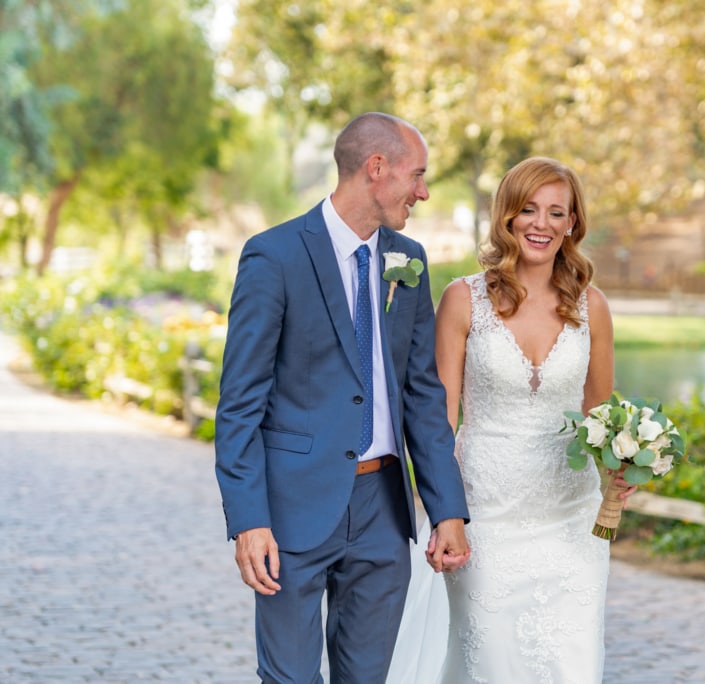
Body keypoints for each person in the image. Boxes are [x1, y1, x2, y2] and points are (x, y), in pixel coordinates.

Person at [214, 112, 471, 684]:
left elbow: (424, 396)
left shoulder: (408, 259)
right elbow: (239, 406)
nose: (424, 192)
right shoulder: (273, 256)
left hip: (383, 510)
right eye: (417, 175)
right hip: (291, 511)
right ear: (376, 169)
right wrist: (248, 519)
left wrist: (447, 509)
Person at [430, 156, 631, 682]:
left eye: (556, 212)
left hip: (571, 521)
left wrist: (625, 465)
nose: (541, 224)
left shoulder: (594, 307)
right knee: (488, 661)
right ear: (507, 218)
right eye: (529, 210)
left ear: (572, 224)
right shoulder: (462, 300)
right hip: (484, 516)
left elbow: (600, 416)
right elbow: (439, 423)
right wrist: (443, 513)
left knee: (569, 665)